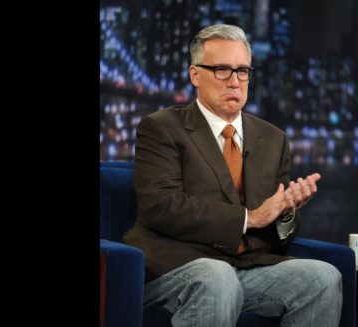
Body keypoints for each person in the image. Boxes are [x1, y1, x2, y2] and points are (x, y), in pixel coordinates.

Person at [123, 24, 342, 327]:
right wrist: (250, 217)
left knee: (323, 277)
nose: (235, 82)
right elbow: (161, 206)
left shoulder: (273, 138)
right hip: (177, 265)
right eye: (222, 70)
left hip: (248, 265)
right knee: (218, 276)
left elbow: (278, 239)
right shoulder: (161, 128)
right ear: (195, 74)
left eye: (242, 71)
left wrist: (286, 212)